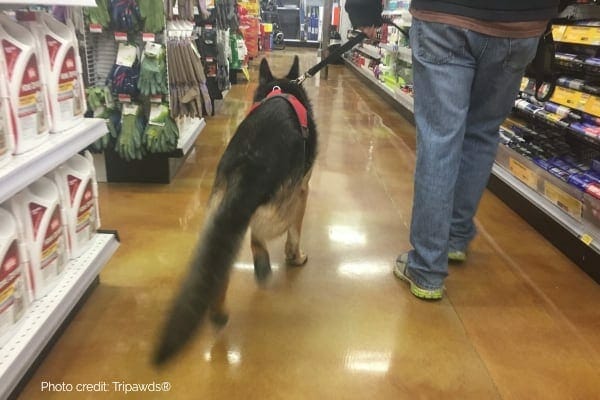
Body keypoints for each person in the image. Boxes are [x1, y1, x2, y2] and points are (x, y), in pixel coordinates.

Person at [345, 0, 562, 300]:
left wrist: (364, 10)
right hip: (521, 21)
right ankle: (455, 239)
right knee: (483, 132)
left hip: (445, 15)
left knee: (439, 137)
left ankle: (427, 270)